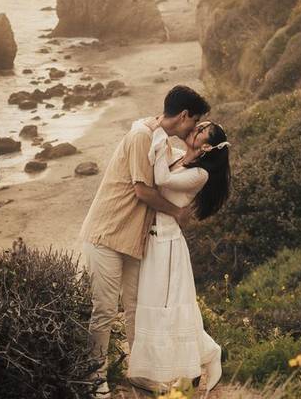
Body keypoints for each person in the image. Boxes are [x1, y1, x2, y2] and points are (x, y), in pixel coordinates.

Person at [79, 85, 211, 397]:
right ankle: (94, 377)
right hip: (107, 234)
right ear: (183, 116)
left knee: (137, 308)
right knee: (105, 310)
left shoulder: (161, 139)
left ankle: (139, 372)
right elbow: (144, 190)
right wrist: (177, 212)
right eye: (195, 122)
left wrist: (197, 154)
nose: (195, 128)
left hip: (135, 240)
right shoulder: (142, 134)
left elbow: (177, 168)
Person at [127, 120, 231, 394]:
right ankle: (207, 354)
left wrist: (159, 133)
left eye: (201, 131)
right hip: (153, 238)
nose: (195, 128)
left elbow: (161, 180)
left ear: (206, 146)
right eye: (199, 125)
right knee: (159, 305)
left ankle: (188, 365)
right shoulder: (179, 157)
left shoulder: (200, 174)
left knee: (167, 307)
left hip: (168, 243)